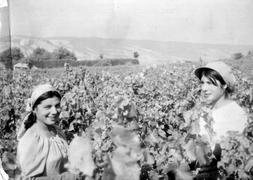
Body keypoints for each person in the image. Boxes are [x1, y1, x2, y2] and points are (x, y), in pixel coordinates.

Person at [188, 61, 248, 180]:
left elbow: (226, 158)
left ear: (224, 85)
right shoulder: (206, 111)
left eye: (210, 83)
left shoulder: (236, 115)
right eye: (202, 83)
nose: (204, 88)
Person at [17, 84, 81, 180]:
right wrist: (63, 178)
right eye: (48, 107)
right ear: (34, 109)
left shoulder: (57, 131)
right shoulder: (31, 139)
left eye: (57, 105)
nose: (54, 111)